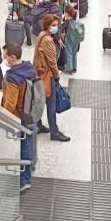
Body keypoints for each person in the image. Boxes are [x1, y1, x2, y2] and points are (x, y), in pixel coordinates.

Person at [2, 42, 38, 192]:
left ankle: (24, 180)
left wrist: (4, 118)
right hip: (31, 113)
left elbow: (10, 104)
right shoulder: (29, 68)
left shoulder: (13, 77)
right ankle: (31, 167)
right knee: (29, 142)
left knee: (22, 146)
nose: (4, 60)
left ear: (12, 57)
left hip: (19, 117)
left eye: (5, 57)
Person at [33, 14, 70, 142]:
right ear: (47, 25)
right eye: (53, 25)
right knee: (51, 104)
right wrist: (56, 76)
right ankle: (54, 132)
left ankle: (38, 125)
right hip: (47, 75)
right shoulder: (48, 40)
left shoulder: (41, 34)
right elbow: (52, 61)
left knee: (39, 100)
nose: (56, 27)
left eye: (57, 25)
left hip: (38, 72)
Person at [61, 5, 83, 74]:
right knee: (74, 53)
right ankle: (74, 68)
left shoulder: (67, 21)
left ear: (67, 13)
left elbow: (61, 28)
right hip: (76, 39)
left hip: (69, 40)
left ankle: (69, 69)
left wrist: (63, 20)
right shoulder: (76, 19)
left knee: (69, 54)